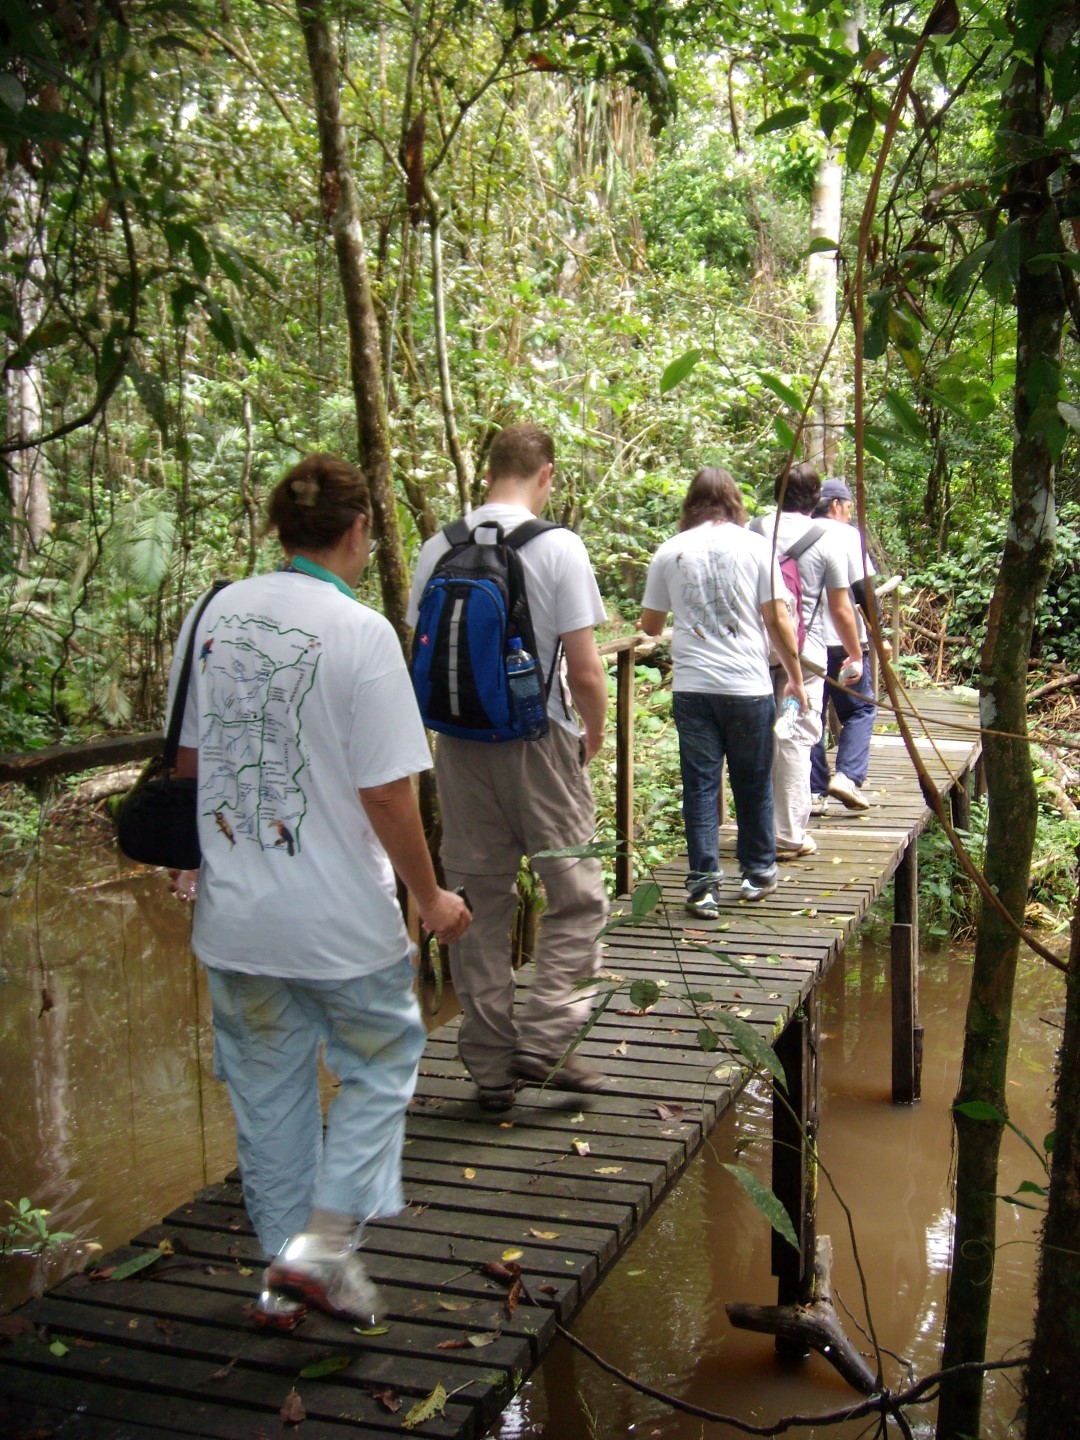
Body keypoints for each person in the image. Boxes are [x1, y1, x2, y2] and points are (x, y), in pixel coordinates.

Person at [168, 454, 471, 1332]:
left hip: (236, 921)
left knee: (270, 1102)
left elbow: (190, 767)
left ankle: (281, 1281)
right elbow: (387, 792)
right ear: (357, 531)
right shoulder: (362, 632)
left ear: (278, 530)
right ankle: (322, 1248)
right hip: (340, 923)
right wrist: (431, 897)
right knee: (383, 1060)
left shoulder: (211, 614)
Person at [406, 421, 610, 1111]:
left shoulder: (437, 546)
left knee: (475, 906)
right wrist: (595, 735)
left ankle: (490, 1067)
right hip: (540, 743)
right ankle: (547, 1036)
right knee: (577, 894)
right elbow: (584, 669)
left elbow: (424, 652)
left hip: (458, 750)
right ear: (546, 475)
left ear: (488, 472)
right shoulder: (557, 547)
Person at [639, 467, 808, 910]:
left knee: (700, 784)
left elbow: (651, 626)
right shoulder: (756, 547)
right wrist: (794, 676)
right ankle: (757, 874)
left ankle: (703, 886)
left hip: (693, 688)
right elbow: (777, 619)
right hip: (748, 685)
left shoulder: (669, 551)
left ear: (691, 504)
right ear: (734, 501)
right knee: (752, 782)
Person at [759, 462, 865, 855]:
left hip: (757, 650)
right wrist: (855, 653)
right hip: (804, 656)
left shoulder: (754, 530)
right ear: (816, 498)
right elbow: (841, 608)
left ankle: (760, 828)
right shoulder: (826, 538)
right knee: (795, 736)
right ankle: (788, 834)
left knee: (760, 737)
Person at [809, 477, 889, 814]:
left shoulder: (797, 533)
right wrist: (878, 633)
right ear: (837, 505)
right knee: (859, 709)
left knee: (812, 715)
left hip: (806, 645)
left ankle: (812, 792)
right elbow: (863, 591)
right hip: (845, 645)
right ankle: (847, 776)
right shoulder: (845, 535)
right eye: (848, 507)